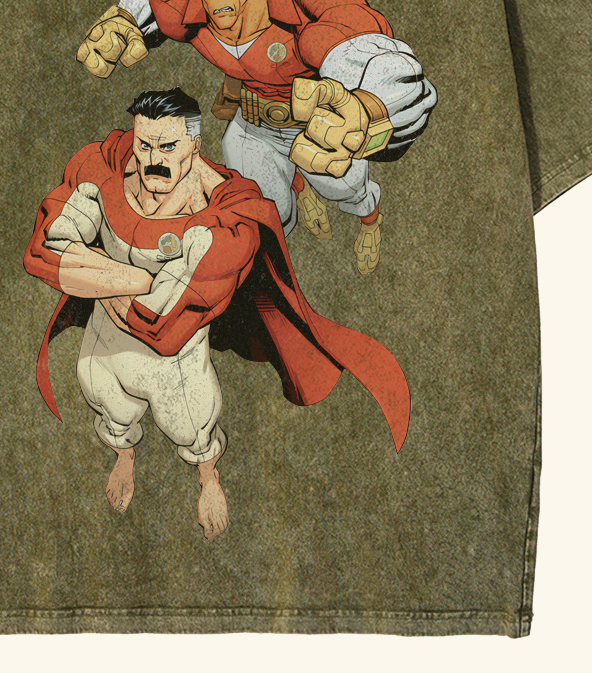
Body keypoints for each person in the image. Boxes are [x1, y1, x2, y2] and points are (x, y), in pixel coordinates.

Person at [24, 88, 411, 541]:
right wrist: (140, 279)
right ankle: (124, 458)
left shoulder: (227, 218)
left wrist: (96, 275)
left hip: (176, 369)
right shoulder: (105, 169)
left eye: (168, 146)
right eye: (144, 144)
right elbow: (47, 249)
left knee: (192, 429)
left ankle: (209, 479)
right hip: (104, 348)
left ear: (194, 145)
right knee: (107, 404)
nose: (152, 160)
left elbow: (163, 321)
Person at [75, 0, 437, 274]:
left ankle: (370, 221)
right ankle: (297, 194)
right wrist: (126, 20)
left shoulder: (308, 0)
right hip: (252, 126)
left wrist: (370, 107)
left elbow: (370, 51)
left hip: (314, 131)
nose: (218, 6)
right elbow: (154, 0)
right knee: (264, 213)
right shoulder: (185, 6)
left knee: (348, 190)